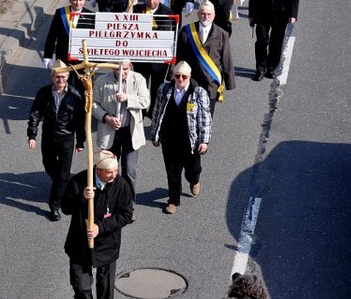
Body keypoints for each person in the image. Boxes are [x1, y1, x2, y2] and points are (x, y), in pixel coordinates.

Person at [61, 150, 133, 299]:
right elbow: (65, 208)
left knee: (106, 289)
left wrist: (100, 227)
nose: (113, 176)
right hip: (80, 244)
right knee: (81, 288)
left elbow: (126, 214)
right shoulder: (79, 181)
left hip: (107, 244)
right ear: (97, 170)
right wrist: (81, 197)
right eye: (109, 172)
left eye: (115, 171)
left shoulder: (121, 185)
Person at [27, 61, 86, 221]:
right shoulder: (44, 93)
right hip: (48, 137)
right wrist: (32, 135)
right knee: (49, 165)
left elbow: (80, 120)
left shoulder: (75, 95)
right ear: (52, 77)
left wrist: (81, 141)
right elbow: (35, 114)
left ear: (67, 77)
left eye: (63, 77)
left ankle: (54, 206)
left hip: (67, 138)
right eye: (57, 77)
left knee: (63, 173)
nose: (60, 80)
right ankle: (63, 185)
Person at [151, 61, 212, 215]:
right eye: (177, 76)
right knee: (172, 170)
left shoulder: (198, 92)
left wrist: (204, 141)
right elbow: (157, 111)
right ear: (173, 76)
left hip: (189, 139)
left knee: (193, 168)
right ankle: (173, 200)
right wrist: (155, 134)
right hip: (170, 137)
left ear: (189, 76)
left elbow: (205, 118)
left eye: (184, 76)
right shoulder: (164, 90)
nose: (180, 79)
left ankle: (194, 179)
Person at [92, 60, 150, 212]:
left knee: (129, 170)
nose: (121, 72)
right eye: (118, 69)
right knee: (107, 170)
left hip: (130, 132)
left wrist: (128, 98)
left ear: (129, 67)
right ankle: (106, 203)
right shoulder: (102, 81)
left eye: (124, 69)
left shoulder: (139, 79)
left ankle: (129, 206)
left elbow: (145, 101)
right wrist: (107, 118)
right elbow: (93, 104)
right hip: (109, 132)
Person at [177, 0, 236, 116]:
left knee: (207, 116)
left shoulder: (222, 34)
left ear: (214, 16)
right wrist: (175, 77)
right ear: (198, 14)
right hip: (190, 79)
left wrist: (230, 82)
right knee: (189, 114)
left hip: (211, 82)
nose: (206, 17)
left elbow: (227, 60)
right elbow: (179, 55)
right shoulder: (187, 31)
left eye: (209, 14)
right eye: (203, 14)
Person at [132, 0, 174, 115]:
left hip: (158, 61)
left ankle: (153, 113)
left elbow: (169, 35)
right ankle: (142, 111)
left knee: (157, 88)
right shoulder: (137, 9)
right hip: (141, 58)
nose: (151, 2)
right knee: (141, 86)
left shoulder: (168, 13)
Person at [43, 0, 94, 68]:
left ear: (84, 1)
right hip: (63, 57)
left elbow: (95, 41)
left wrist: (95, 62)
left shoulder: (91, 16)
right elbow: (52, 35)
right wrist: (47, 55)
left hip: (83, 59)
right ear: (70, 0)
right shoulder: (60, 13)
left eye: (80, 0)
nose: (78, 3)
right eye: (75, 0)